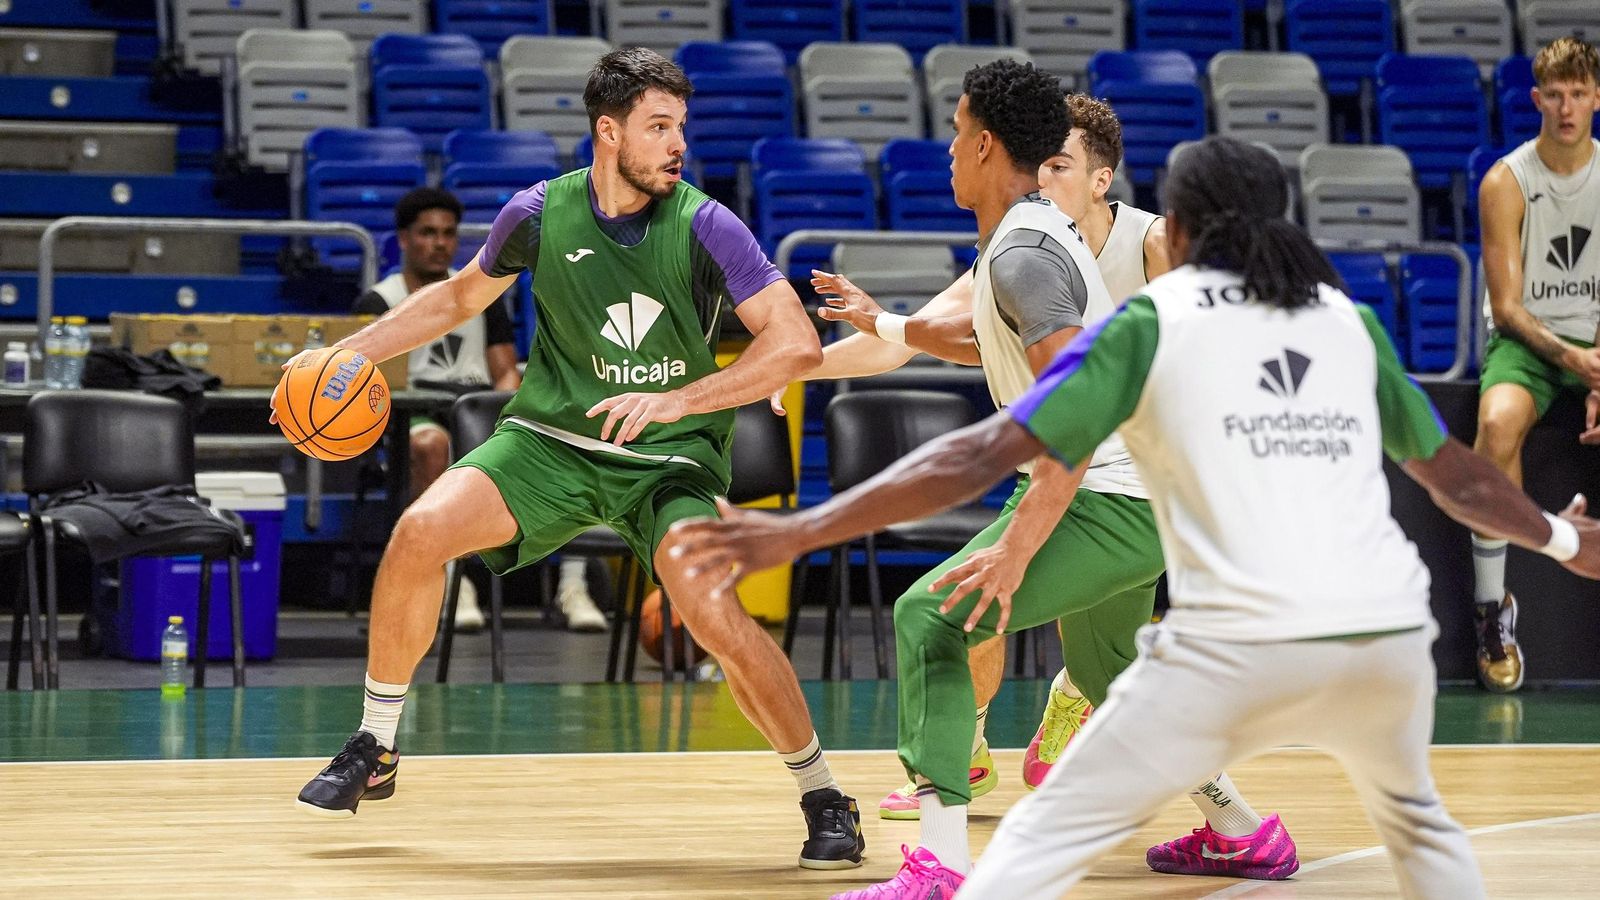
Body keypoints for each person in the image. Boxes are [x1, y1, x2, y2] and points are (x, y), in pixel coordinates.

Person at [672, 136, 1600, 898]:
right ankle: (1241, 831)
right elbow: (1456, 477)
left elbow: (981, 452)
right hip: (1388, 641)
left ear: (1180, 228)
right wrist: (1563, 538)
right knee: (1424, 834)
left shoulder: (1151, 319)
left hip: (1236, 643)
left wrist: (798, 531)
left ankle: (942, 870)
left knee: (1024, 831)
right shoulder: (1343, 318)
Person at [290, 48, 866, 871]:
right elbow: (457, 298)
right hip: (550, 441)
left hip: (667, 460)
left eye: (681, 128)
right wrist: (348, 353)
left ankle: (822, 794)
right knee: (418, 533)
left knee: (710, 612)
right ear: (608, 130)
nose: (678, 146)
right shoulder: (536, 213)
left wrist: (680, 401)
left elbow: (796, 339)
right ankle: (374, 746)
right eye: (658, 127)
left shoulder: (707, 223)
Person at [762, 65, 1291, 899]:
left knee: (933, 617)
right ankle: (1244, 832)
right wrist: (880, 326)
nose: (945, 148)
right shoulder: (1034, 236)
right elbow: (986, 343)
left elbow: (1073, 416)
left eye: (956, 129)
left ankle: (939, 864)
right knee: (1116, 673)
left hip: (1113, 493)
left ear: (983, 144)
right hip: (1142, 488)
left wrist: (1014, 546)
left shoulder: (1029, 251)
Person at [800, 94, 1178, 806]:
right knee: (985, 613)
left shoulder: (1146, 245)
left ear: (1101, 179)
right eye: (1040, 161)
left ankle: (1063, 707)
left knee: (980, 612)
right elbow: (929, 341)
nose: (1044, 175)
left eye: (1060, 164)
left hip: (1129, 473)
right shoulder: (1021, 247)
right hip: (1069, 466)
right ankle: (964, 752)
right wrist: (798, 364)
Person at [353, 187, 606, 634]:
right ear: (404, 240)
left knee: (576, 440)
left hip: (474, 412)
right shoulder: (379, 300)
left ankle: (574, 586)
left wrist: (509, 418)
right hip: (411, 418)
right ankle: (454, 582)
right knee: (433, 444)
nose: (440, 243)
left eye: (448, 234)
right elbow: (372, 388)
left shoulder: (480, 293)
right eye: (428, 233)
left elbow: (505, 372)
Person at [1472, 36, 1600, 692]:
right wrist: (1572, 358)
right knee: (1495, 427)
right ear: (1536, 99)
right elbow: (1508, 306)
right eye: (1556, 93)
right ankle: (1493, 610)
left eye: (1579, 92)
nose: (1567, 106)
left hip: (1597, 345)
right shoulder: (1508, 180)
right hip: (1530, 347)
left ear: (1597, 97)